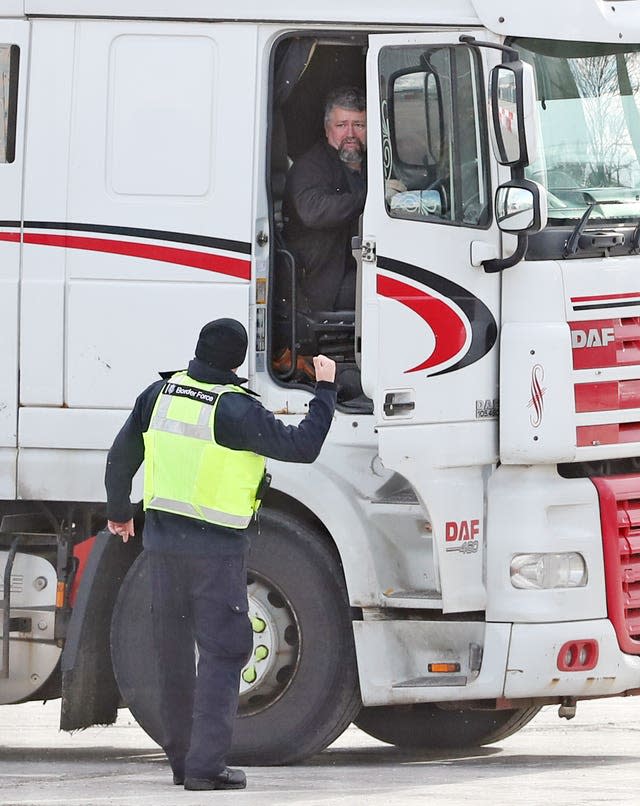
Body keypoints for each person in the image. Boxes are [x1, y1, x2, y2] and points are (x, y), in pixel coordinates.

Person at [104, 318, 337, 792]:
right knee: (223, 653)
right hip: (215, 553)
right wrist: (326, 389)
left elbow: (122, 454)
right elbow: (303, 446)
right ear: (237, 361)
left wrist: (119, 511)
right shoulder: (236, 410)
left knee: (171, 656)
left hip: (162, 550)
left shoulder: (159, 394)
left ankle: (181, 762)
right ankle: (205, 768)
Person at [283, 86, 367, 313]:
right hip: (325, 283)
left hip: (359, 266)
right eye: (342, 125)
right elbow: (313, 211)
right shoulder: (310, 166)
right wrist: (369, 198)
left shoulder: (372, 165)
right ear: (327, 128)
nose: (350, 133)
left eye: (358, 125)